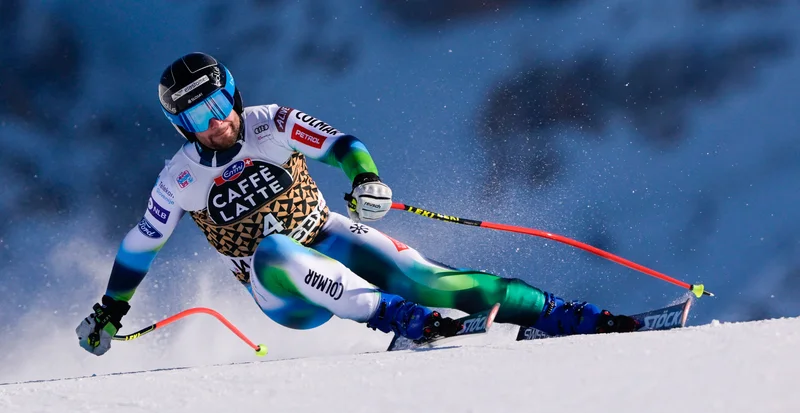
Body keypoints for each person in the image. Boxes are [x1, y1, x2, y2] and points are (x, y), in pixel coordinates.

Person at [76, 52, 638, 356]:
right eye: (198, 117)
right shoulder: (179, 179)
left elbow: (342, 145)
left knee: (430, 280)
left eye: (220, 102)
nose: (217, 122)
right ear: (181, 125)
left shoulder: (270, 121)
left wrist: (365, 178)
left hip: (326, 231)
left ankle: (572, 316)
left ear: (234, 92)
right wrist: (110, 310)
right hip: (282, 291)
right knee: (273, 248)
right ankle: (394, 318)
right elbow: (138, 247)